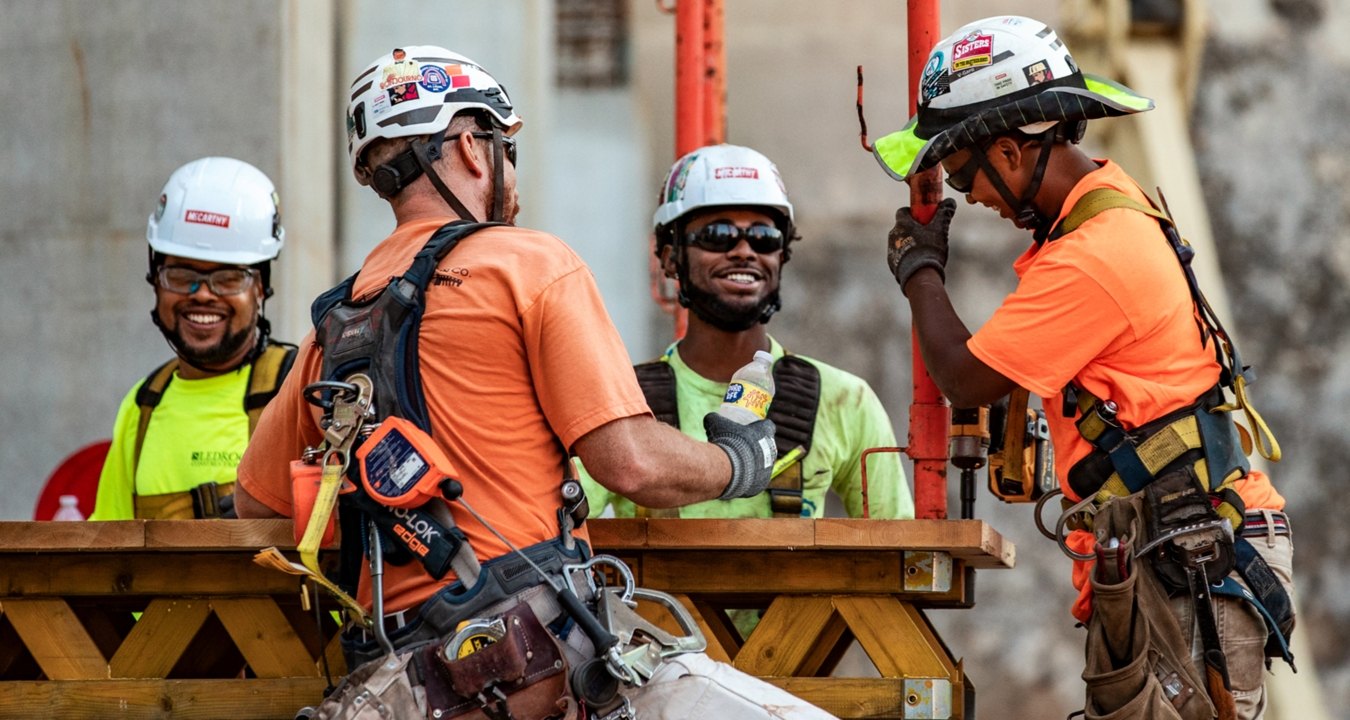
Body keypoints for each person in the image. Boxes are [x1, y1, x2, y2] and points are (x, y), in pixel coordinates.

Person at [234, 46, 833, 719]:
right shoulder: (527, 264)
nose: (510, 175)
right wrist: (738, 460)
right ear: (468, 146)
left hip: (397, 683)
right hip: (543, 666)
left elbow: (255, 504)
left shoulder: (333, 325)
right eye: (504, 150)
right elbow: (631, 464)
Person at [870, 15, 1293, 720]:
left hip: (1189, 553)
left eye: (965, 175)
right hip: (1174, 542)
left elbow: (964, 378)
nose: (969, 196)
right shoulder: (1104, 212)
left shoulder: (1093, 256)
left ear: (1009, 152)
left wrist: (919, 269)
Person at [582, 143, 912, 521]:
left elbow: (896, 552)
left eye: (763, 238)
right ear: (672, 258)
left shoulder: (845, 402)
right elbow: (556, 526)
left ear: (781, 255)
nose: (743, 251)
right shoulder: (623, 402)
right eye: (718, 235)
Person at [91, 157, 294, 521]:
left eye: (228, 278)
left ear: (260, 288)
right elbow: (105, 551)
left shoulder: (296, 391)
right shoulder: (143, 406)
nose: (202, 295)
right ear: (156, 280)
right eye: (182, 276)